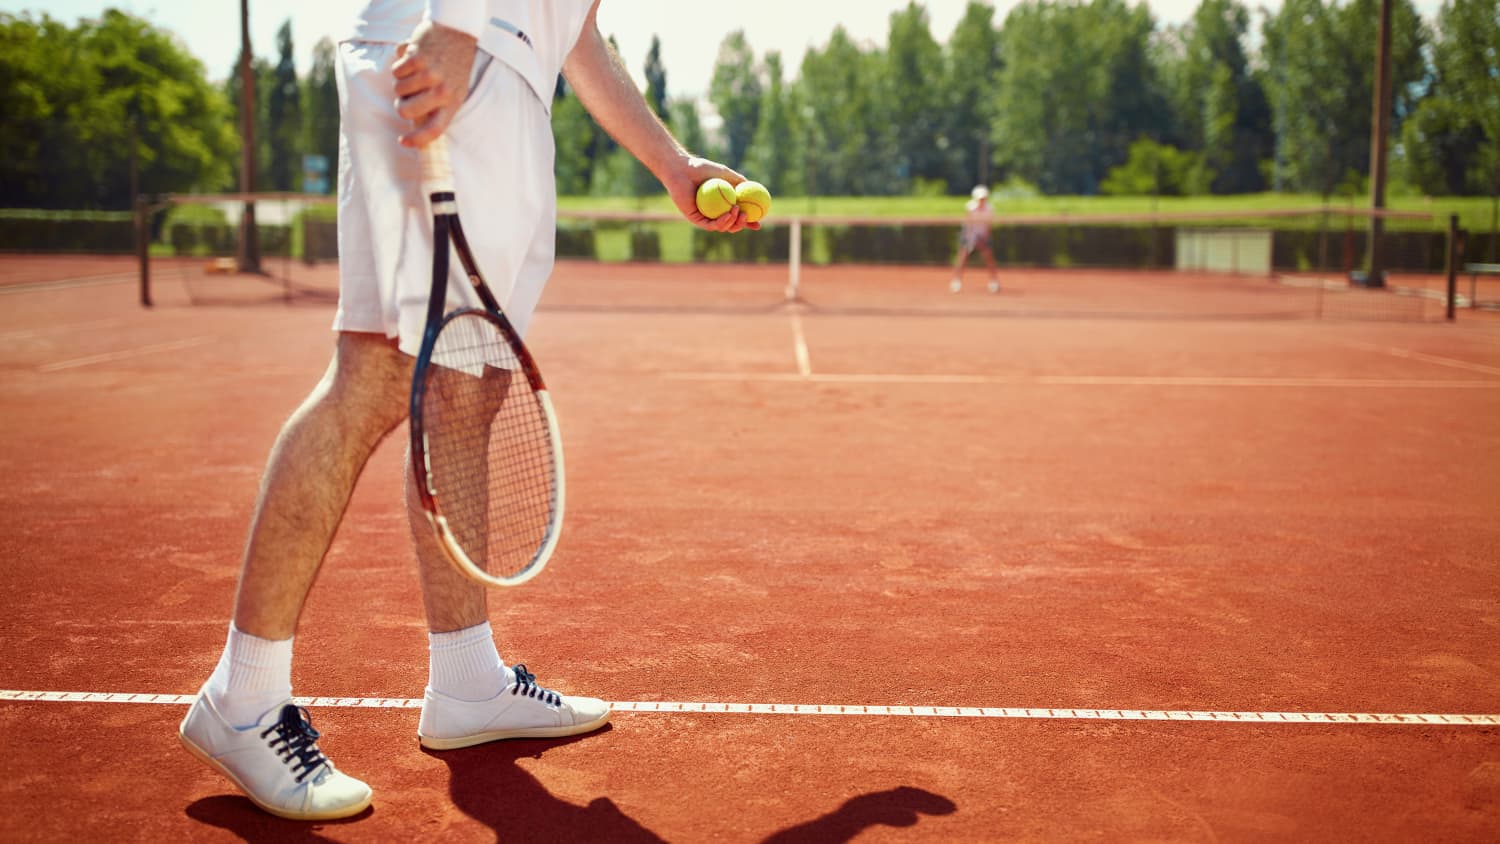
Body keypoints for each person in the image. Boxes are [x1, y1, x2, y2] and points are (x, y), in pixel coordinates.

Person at [178, 0, 756, 821]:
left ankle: (467, 681)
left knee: (466, 391)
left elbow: (575, 27)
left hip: (503, 69)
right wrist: (453, 24)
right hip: (457, 50)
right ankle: (242, 698)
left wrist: (672, 163)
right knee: (378, 373)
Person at [949, 185, 1000, 294]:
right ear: (975, 198)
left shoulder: (990, 209)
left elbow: (988, 225)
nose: (982, 200)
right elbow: (968, 224)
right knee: (962, 258)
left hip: (983, 235)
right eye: (980, 198)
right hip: (970, 235)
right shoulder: (970, 207)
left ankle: (994, 282)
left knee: (989, 258)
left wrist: (984, 237)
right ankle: (956, 281)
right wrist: (969, 238)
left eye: (983, 198)